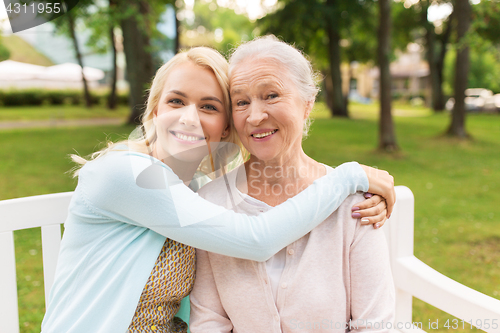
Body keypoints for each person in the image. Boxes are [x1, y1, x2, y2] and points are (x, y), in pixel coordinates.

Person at [41, 47, 394, 333]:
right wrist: (348, 176)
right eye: (176, 101)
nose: (190, 118)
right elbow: (255, 240)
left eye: (209, 106)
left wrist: (348, 186)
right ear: (153, 111)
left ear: (224, 128)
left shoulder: (194, 192)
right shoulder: (127, 174)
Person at [189, 36, 395, 333]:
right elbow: (208, 322)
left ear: (307, 103)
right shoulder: (210, 201)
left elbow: (375, 325)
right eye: (241, 102)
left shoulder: (357, 203)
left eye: (271, 95)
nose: (255, 116)